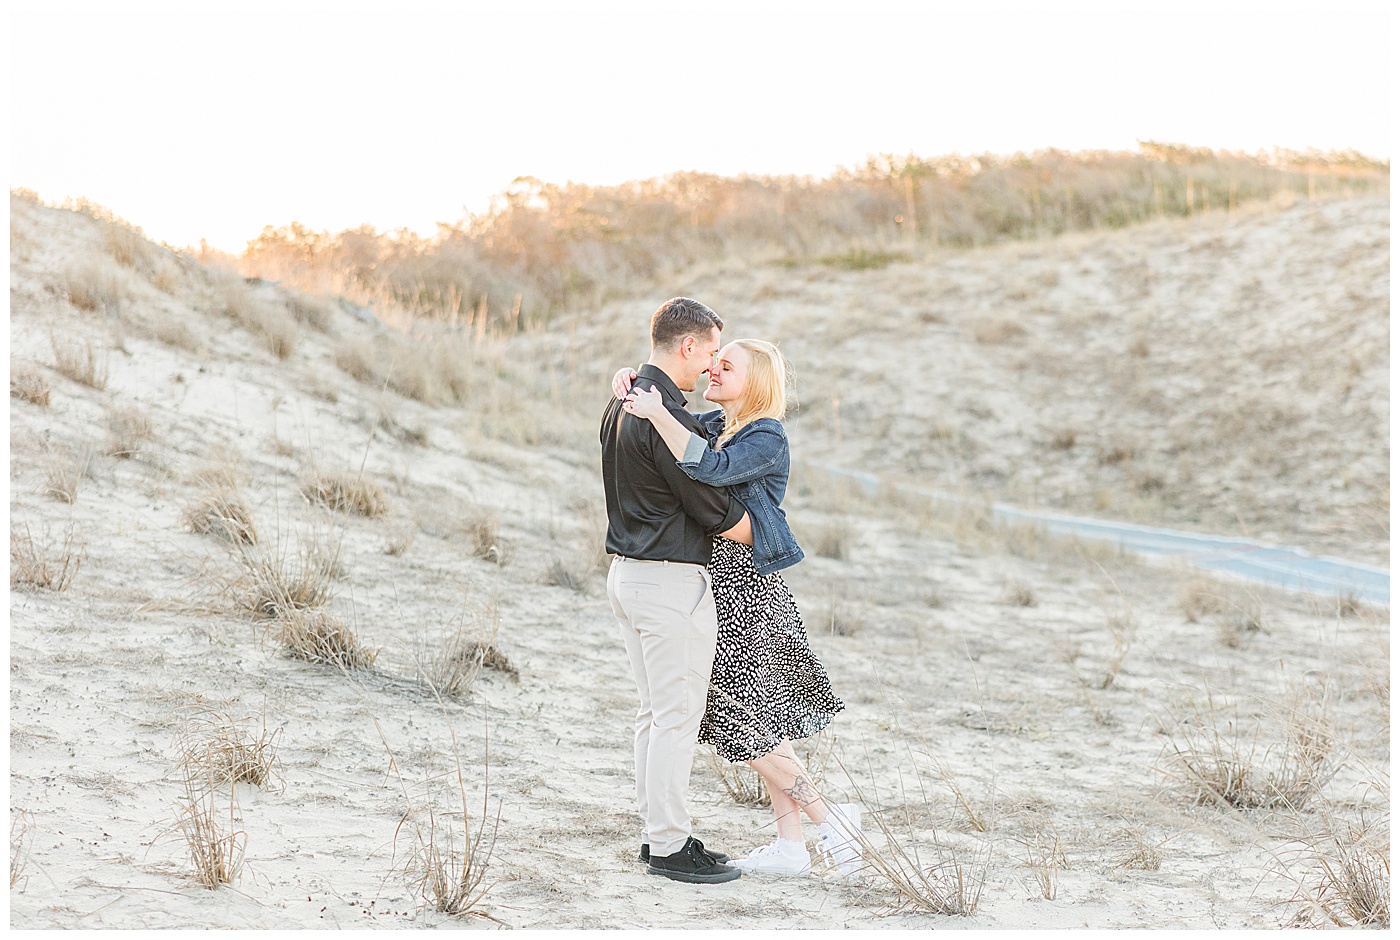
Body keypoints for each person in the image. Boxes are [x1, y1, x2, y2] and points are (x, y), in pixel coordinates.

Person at [613, 338, 865, 878]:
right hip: (720, 586)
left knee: (740, 726)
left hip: (747, 594)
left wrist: (656, 411)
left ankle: (830, 819)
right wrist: (634, 380)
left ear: (757, 382)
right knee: (760, 724)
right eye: (713, 361)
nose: (713, 369)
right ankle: (791, 845)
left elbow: (708, 467)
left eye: (727, 366)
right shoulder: (715, 423)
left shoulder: (765, 435)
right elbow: (676, 418)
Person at [600, 297, 752, 885]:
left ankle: (657, 835)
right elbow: (709, 504)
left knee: (654, 714)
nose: (712, 364)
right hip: (667, 582)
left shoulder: (622, 401)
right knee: (676, 718)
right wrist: (755, 525)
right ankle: (668, 845)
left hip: (627, 577)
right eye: (710, 351)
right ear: (688, 345)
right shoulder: (662, 415)